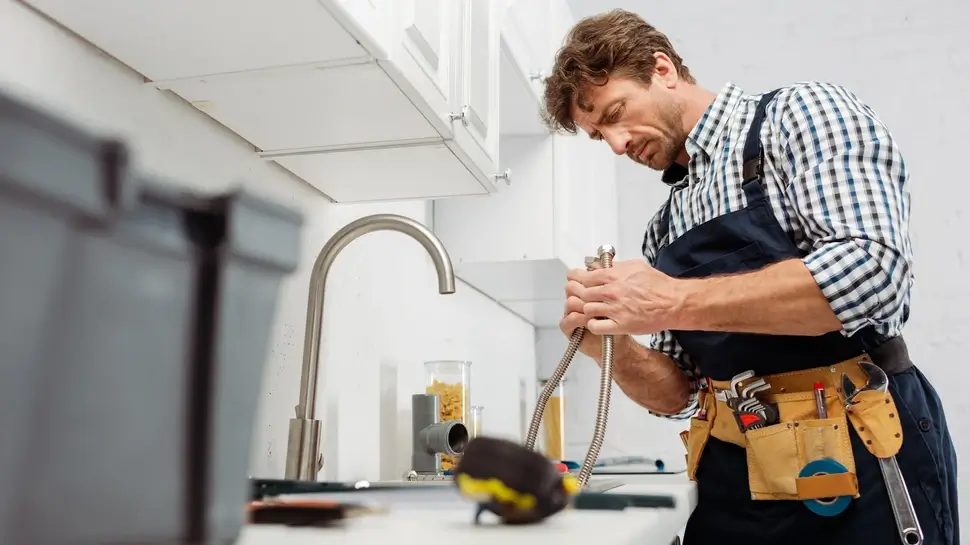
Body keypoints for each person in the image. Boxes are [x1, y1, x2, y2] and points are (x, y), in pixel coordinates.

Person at [541, 8, 958, 545]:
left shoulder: (800, 115)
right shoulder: (663, 227)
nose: (618, 144)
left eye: (617, 113)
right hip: (734, 479)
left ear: (662, 69)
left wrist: (671, 300)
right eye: (601, 136)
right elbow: (682, 395)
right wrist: (612, 346)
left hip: (859, 457)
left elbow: (871, 269)